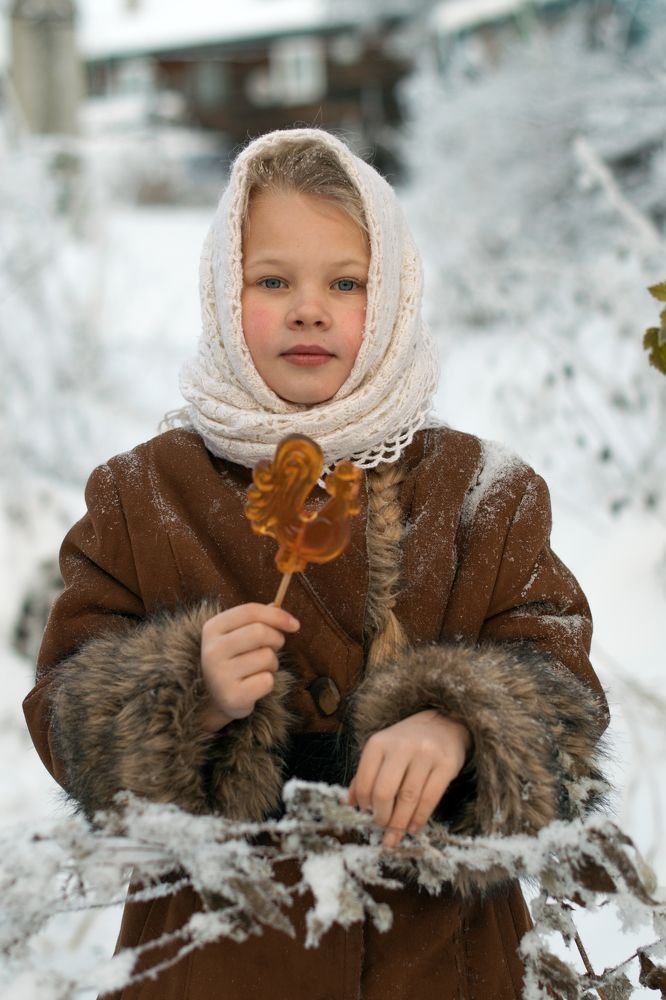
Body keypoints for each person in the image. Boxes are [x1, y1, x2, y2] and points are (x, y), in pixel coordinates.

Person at [23, 128, 609, 1000]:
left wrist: (462, 723)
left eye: (346, 282)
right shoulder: (144, 494)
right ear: (224, 294)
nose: (309, 308)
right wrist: (183, 691)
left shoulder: (486, 493)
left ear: (398, 295)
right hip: (211, 958)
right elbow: (65, 720)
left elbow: (565, 700)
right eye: (272, 281)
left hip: (441, 959)